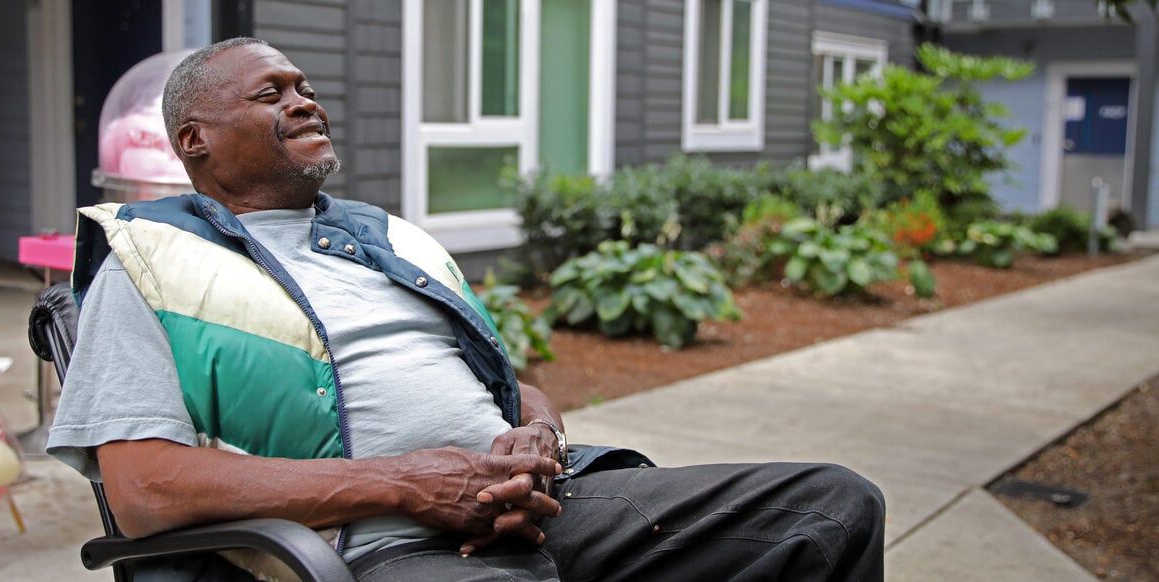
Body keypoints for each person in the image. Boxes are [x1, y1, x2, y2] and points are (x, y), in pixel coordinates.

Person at [48, 37, 885, 581]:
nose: (305, 102)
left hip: (539, 506)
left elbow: (503, 384)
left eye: (305, 87)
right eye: (272, 94)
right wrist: (404, 484)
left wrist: (536, 435)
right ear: (194, 140)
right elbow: (145, 488)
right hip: (378, 548)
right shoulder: (149, 265)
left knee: (832, 506)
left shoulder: (392, 240)